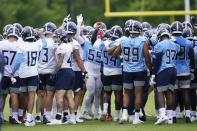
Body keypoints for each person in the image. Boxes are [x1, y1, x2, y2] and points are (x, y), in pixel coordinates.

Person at [113, 20, 152, 125]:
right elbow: (147, 57)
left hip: (127, 70)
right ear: (139, 30)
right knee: (138, 93)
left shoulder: (124, 41)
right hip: (139, 70)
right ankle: (135, 118)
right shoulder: (142, 41)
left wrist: (122, 58)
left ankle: (124, 114)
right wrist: (151, 69)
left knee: (127, 93)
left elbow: (115, 54)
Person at [10, 26, 47, 126]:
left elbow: (18, 62)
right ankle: (30, 118)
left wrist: (12, 72)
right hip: (33, 73)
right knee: (31, 96)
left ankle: (24, 116)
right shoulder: (37, 45)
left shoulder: (21, 46)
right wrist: (41, 35)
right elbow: (45, 42)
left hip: (23, 74)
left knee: (24, 96)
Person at [153, 29, 181, 125]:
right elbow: (180, 51)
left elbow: (158, 60)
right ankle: (170, 118)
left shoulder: (160, 45)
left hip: (164, 69)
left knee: (160, 91)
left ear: (160, 36)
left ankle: (162, 115)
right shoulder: (174, 44)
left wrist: (154, 73)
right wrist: (174, 41)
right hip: (173, 69)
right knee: (169, 93)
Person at [171, 21, 195, 123]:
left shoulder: (170, 41)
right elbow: (192, 57)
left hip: (173, 70)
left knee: (174, 93)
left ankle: (174, 115)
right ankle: (188, 116)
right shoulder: (188, 42)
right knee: (186, 93)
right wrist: (192, 69)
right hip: (185, 70)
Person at [99, 25, 123, 122]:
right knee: (118, 94)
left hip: (106, 70)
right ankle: (117, 115)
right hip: (117, 70)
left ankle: (105, 110)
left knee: (107, 92)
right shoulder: (120, 43)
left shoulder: (103, 43)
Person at [0, 26, 22, 124]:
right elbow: (19, 61)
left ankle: (0, 116)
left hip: (3, 73)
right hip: (14, 74)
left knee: (2, 96)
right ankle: (14, 117)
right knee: (14, 95)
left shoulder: (1, 44)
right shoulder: (19, 45)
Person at [37, 22, 57, 124]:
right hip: (50, 71)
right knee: (50, 94)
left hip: (40, 71)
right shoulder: (53, 42)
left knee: (41, 94)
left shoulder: (39, 42)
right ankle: (47, 116)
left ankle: (39, 116)